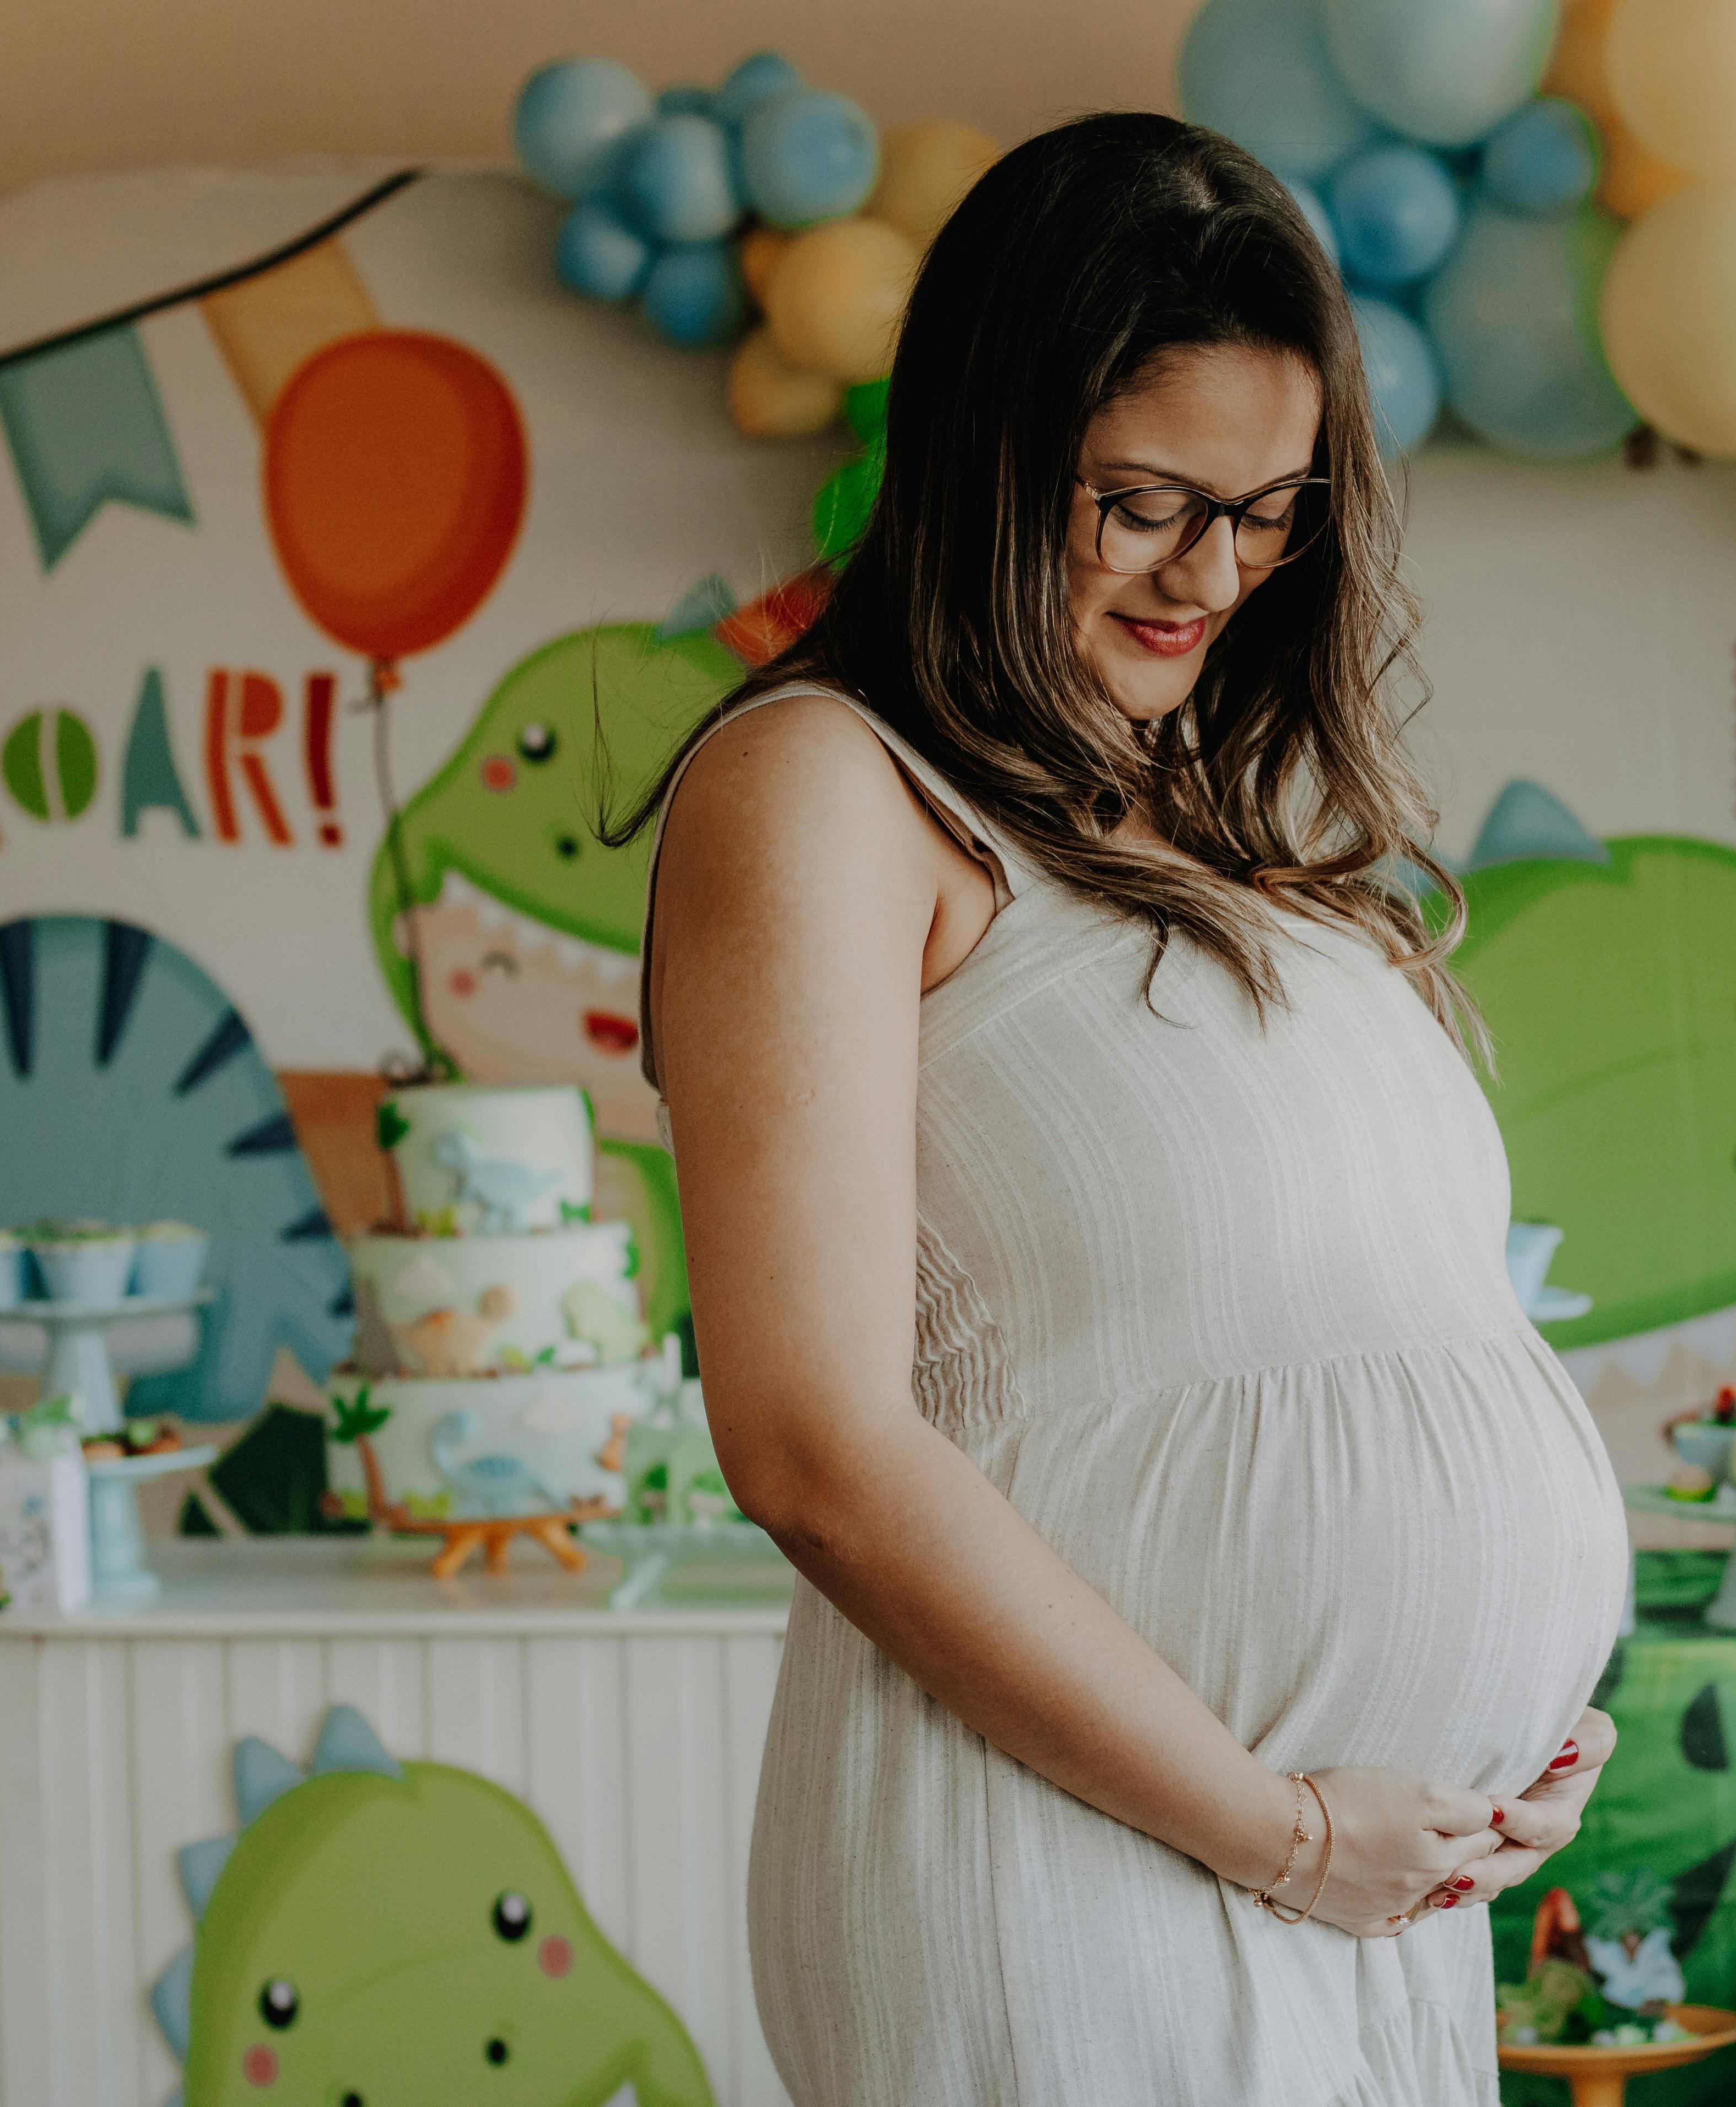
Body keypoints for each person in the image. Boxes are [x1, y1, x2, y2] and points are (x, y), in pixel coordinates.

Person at [627, 110, 1629, 2105]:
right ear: (988, 459)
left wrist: (1505, 1720)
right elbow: (812, 1444)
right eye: (1148, 502)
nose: (1216, 575)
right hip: (1085, 1861)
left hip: (1344, 1881)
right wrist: (1275, 1823)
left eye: (1271, 511)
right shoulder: (825, 787)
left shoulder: (1196, 825)